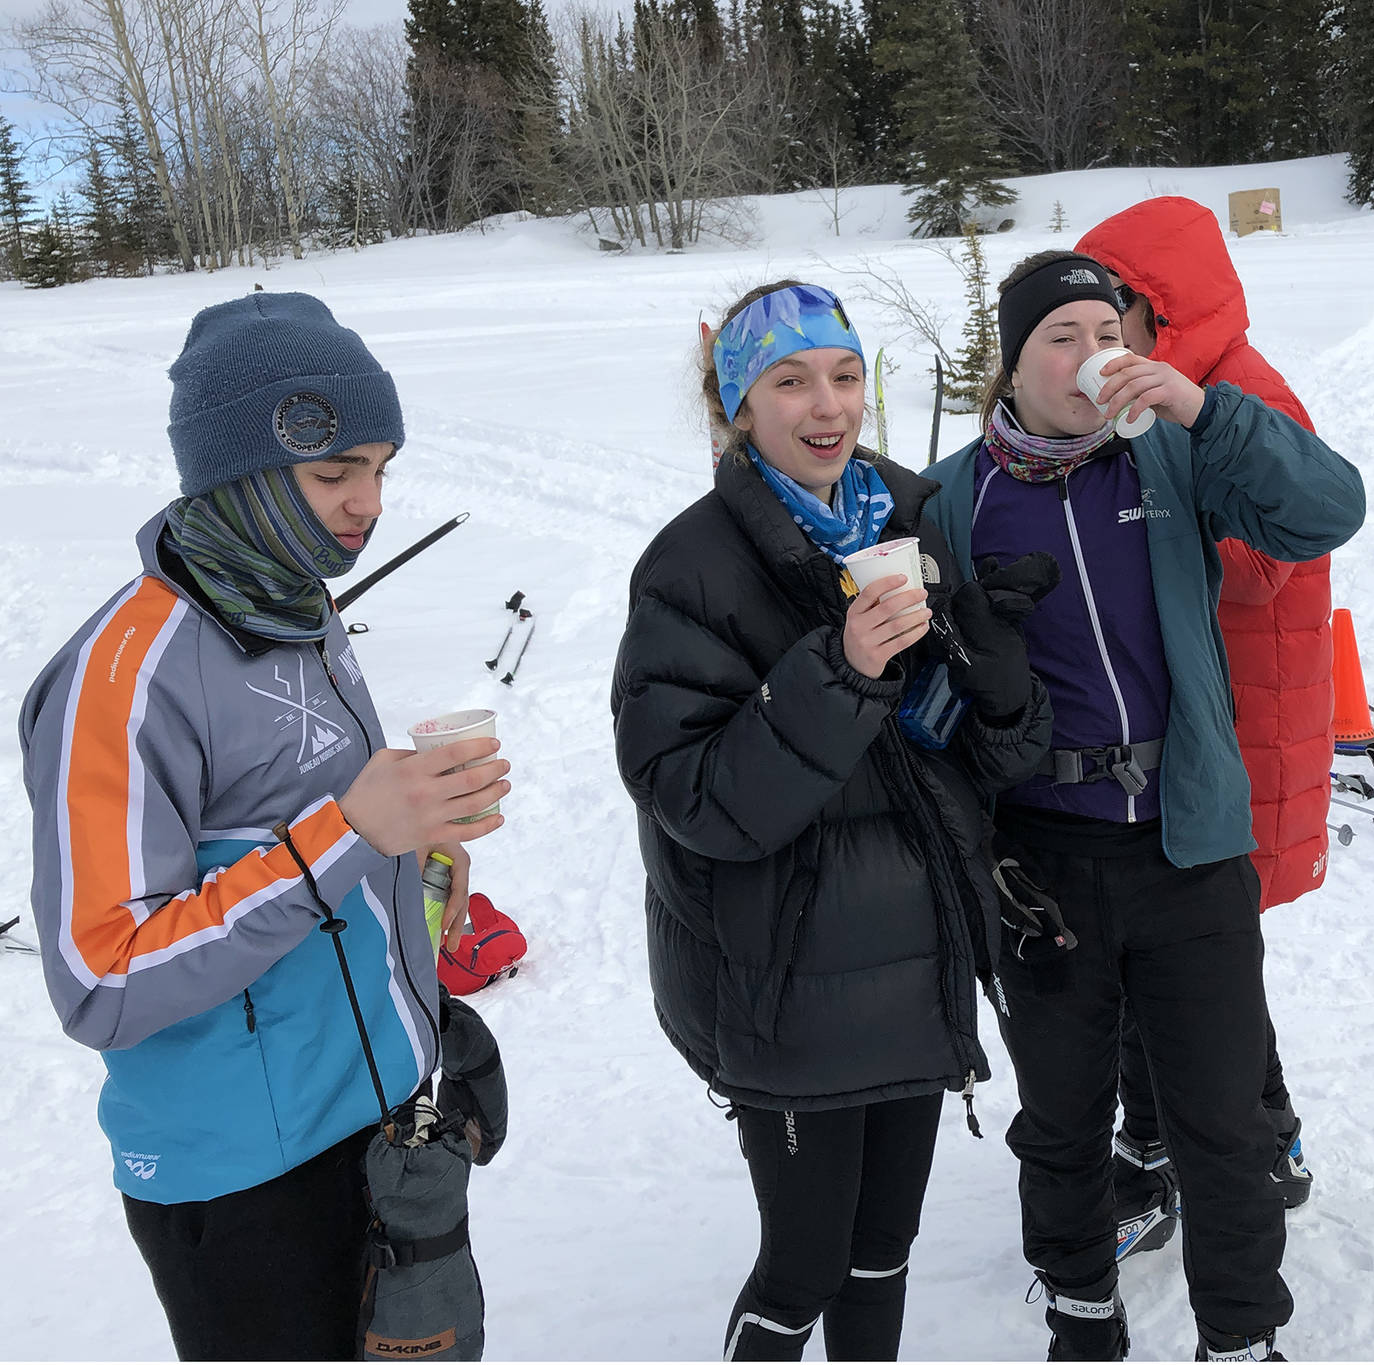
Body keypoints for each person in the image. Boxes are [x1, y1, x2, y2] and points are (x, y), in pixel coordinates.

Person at [17, 291, 507, 1361]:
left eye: (381, 467)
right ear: (236, 471)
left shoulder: (297, 603)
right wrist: (347, 840)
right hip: (242, 1180)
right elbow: (101, 978)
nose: (366, 503)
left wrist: (411, 852)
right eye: (336, 473)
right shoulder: (126, 676)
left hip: (376, 1115)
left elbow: (307, 833)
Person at [925, 250, 1366, 1361]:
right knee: (1063, 1120)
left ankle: (1241, 1336)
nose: (1090, 357)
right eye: (1059, 338)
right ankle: (1080, 1312)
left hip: (1188, 844)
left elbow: (1324, 512)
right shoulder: (946, 496)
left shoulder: (1169, 451)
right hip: (1042, 864)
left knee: (1221, 1119)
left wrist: (1208, 410)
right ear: (1012, 362)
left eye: (1106, 330)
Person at [611, 280, 1053, 1361]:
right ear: (738, 408)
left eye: (845, 376)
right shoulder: (690, 567)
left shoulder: (909, 514)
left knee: (882, 1252)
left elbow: (986, 764)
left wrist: (992, 663)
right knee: (804, 1266)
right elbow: (695, 801)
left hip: (919, 961)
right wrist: (841, 667)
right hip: (784, 976)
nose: (827, 405)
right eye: (790, 380)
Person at [1074, 199, 1327, 1260]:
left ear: (1152, 305)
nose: (1093, 336)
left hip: (1229, 730)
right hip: (1195, 716)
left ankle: (1174, 1147)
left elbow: (1265, 555)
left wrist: (1122, 548)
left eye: (1106, 311)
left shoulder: (1233, 395)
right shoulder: (1158, 388)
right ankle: (1260, 1134)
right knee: (1197, 957)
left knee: (1167, 955)